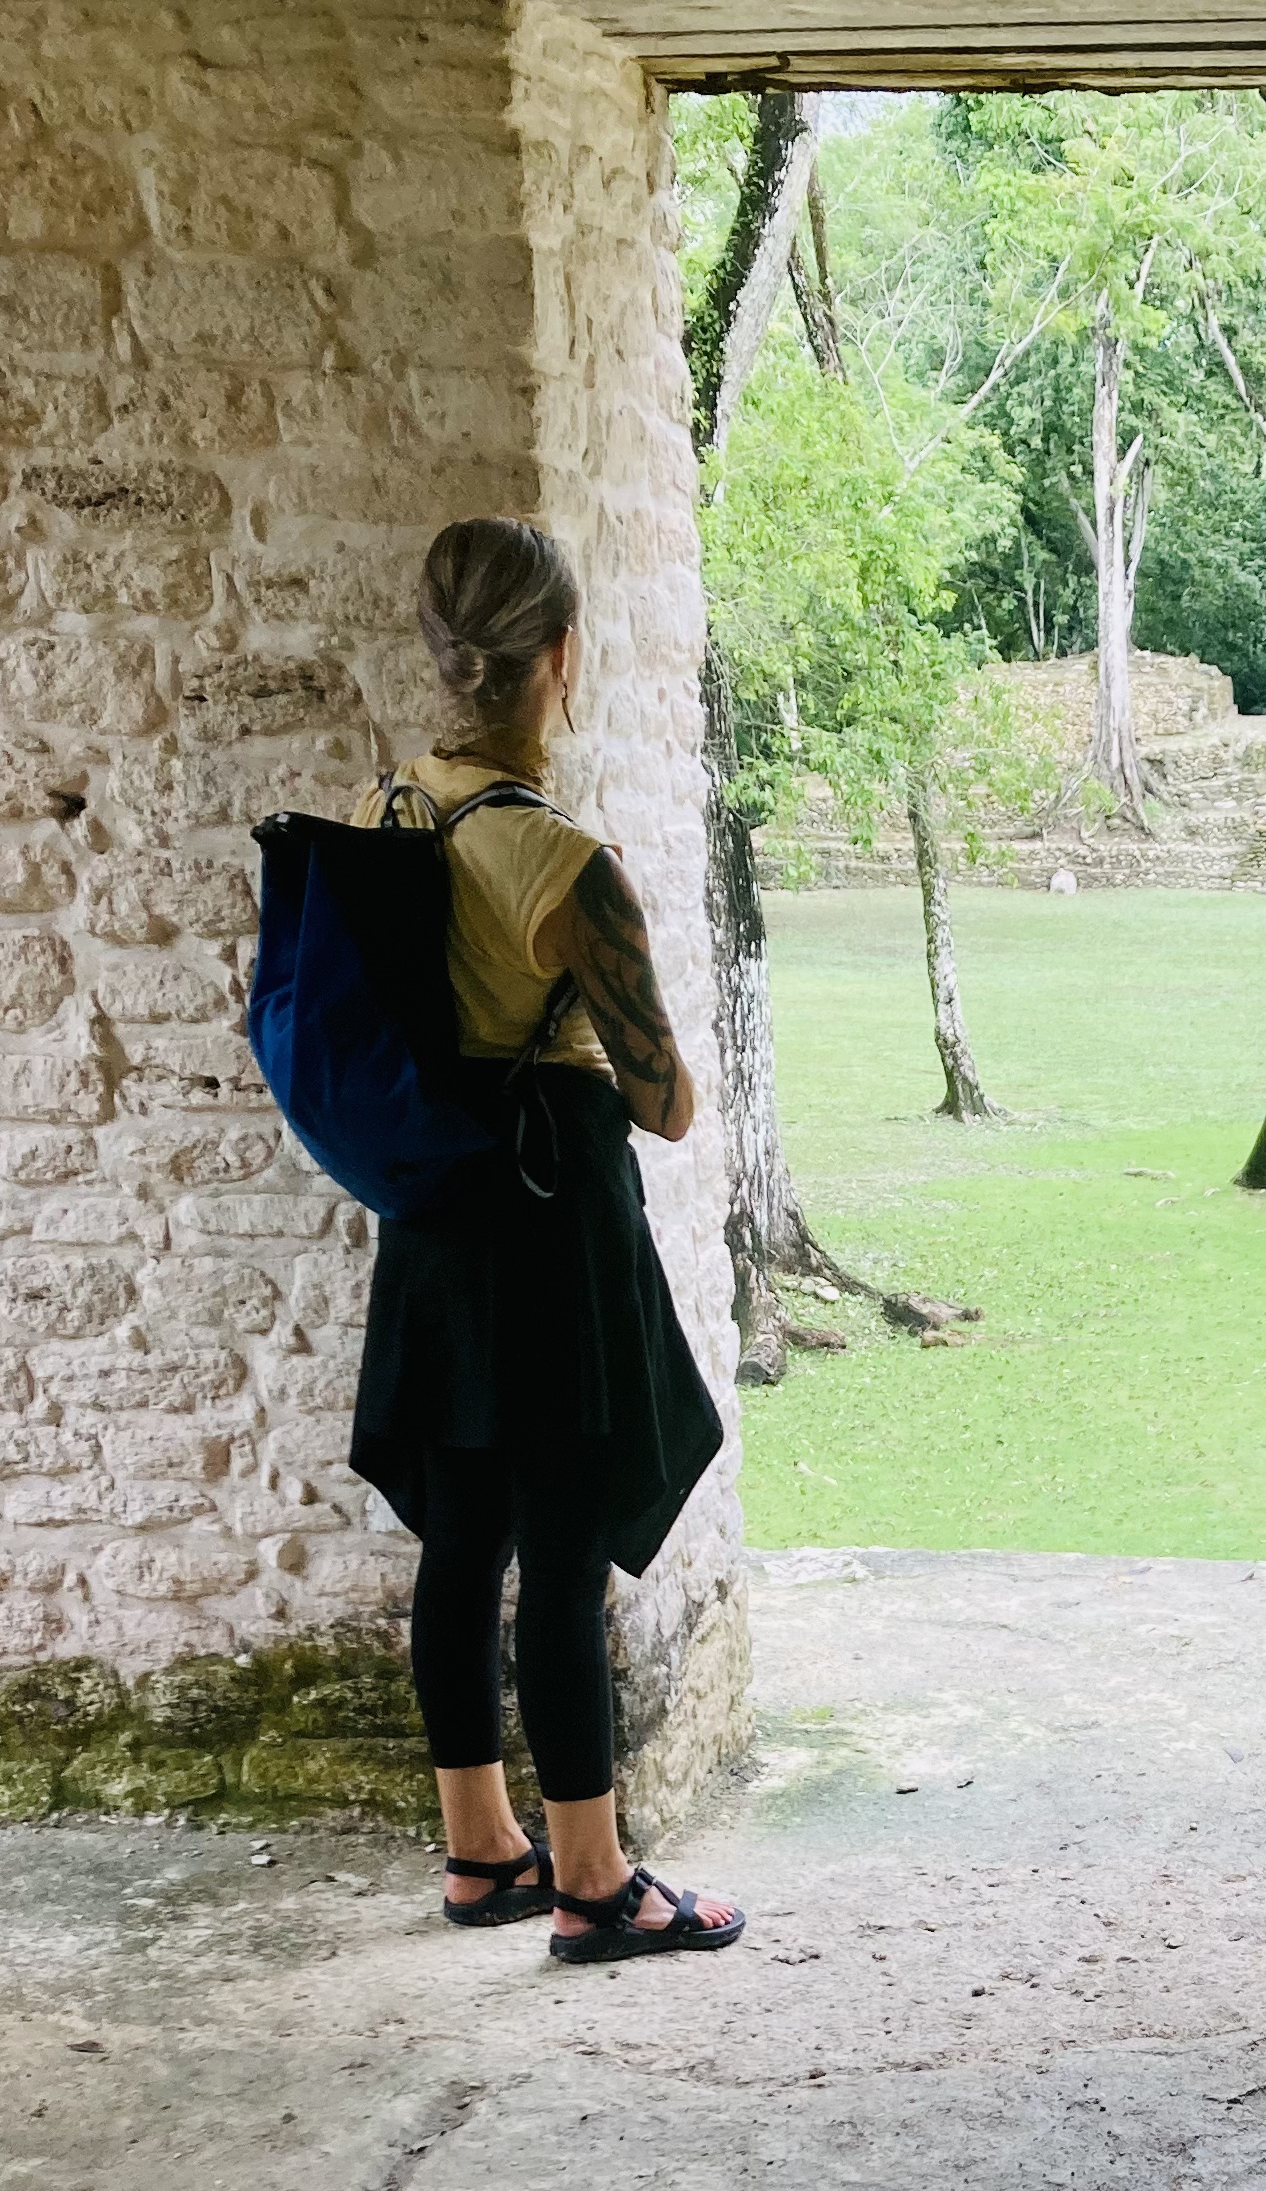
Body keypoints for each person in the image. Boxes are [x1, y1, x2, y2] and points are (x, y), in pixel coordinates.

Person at [349, 516, 744, 1964]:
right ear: (558, 660)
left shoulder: (386, 810)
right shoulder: (560, 863)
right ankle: (594, 1881)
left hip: (437, 1213)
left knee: (462, 1547)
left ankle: (480, 1852)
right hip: (550, 1227)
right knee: (564, 1559)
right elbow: (669, 1106)